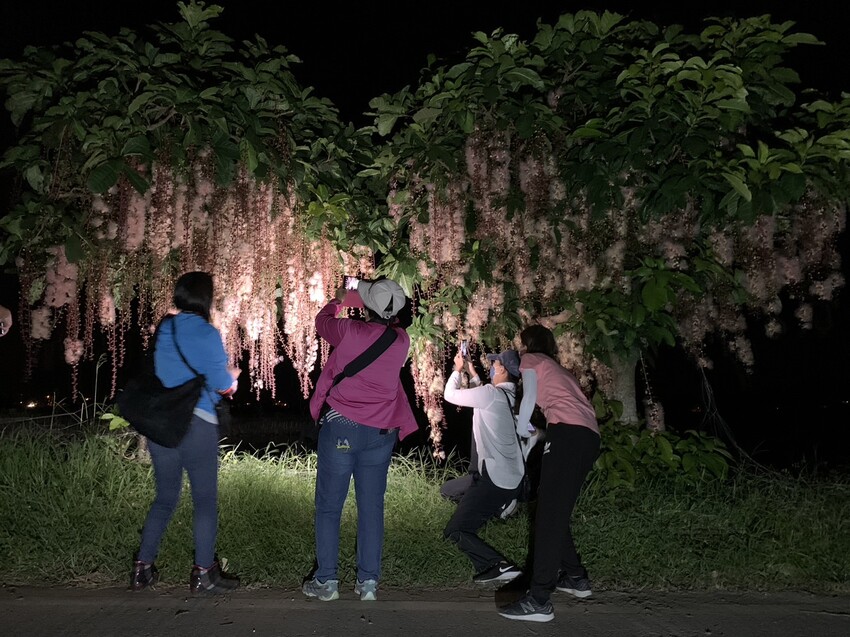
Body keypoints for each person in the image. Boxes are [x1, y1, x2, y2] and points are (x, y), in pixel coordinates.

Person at [303, 278, 417, 602]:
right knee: (371, 507)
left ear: (366, 306)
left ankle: (327, 581)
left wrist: (340, 299)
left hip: (341, 427)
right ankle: (368, 582)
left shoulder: (350, 331)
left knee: (329, 507)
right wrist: (363, 298)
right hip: (380, 435)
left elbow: (321, 323)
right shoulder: (401, 341)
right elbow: (380, 316)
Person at [131, 272, 241, 595]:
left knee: (165, 498)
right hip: (198, 425)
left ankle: (142, 568)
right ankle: (204, 573)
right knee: (204, 501)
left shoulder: (166, 329)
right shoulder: (208, 334)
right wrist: (232, 378)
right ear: (206, 299)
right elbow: (222, 384)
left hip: (164, 427)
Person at [499, 324, 600, 623]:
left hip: (567, 435)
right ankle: (575, 577)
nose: (519, 351)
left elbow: (528, 399)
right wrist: (535, 433)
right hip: (587, 437)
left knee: (548, 516)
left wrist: (520, 427)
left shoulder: (532, 361)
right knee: (553, 508)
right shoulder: (559, 369)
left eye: (521, 344)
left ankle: (539, 599)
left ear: (527, 344)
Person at [442, 348, 525, 583]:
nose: (491, 367)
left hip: (493, 481)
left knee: (455, 531)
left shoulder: (491, 395)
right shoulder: (509, 399)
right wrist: (472, 372)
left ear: (500, 368)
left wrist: (457, 370)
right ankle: (496, 507)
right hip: (512, 480)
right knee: (449, 490)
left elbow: (450, 394)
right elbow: (485, 395)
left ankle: (498, 565)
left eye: (494, 364)